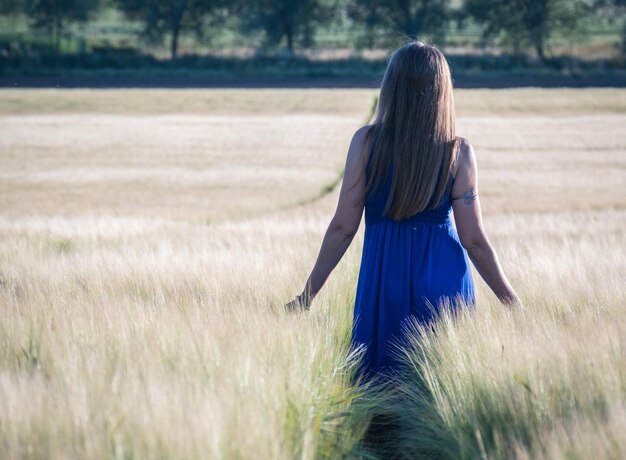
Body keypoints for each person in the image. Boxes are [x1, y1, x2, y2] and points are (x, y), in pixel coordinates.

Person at [284, 41, 521, 382]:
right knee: (441, 387)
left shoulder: (366, 144)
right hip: (443, 282)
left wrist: (307, 296)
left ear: (391, 87)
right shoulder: (458, 152)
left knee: (379, 390)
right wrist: (511, 302)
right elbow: (475, 241)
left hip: (384, 280)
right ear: (442, 91)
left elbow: (342, 228)